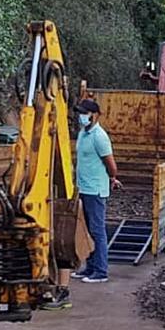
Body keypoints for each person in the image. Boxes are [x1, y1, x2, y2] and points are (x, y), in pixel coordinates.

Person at [70, 99, 121, 283]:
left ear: (95, 115)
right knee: (87, 230)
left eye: (85, 113)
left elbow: (111, 164)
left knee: (97, 230)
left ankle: (100, 271)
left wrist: (111, 178)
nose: (82, 117)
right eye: (80, 113)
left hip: (95, 190)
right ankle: (90, 267)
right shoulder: (84, 133)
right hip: (83, 188)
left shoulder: (99, 136)